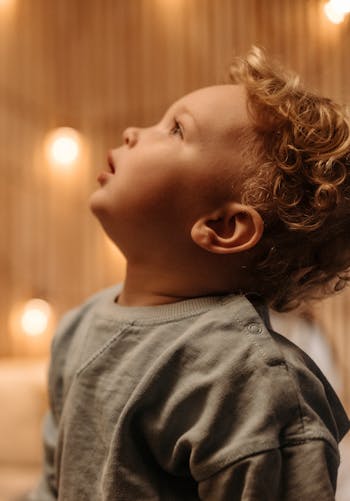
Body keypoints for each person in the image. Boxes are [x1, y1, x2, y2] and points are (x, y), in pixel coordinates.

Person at [29, 47, 350, 500]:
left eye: (176, 129)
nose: (132, 132)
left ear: (222, 227)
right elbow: (53, 485)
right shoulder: (80, 326)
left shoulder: (250, 383)